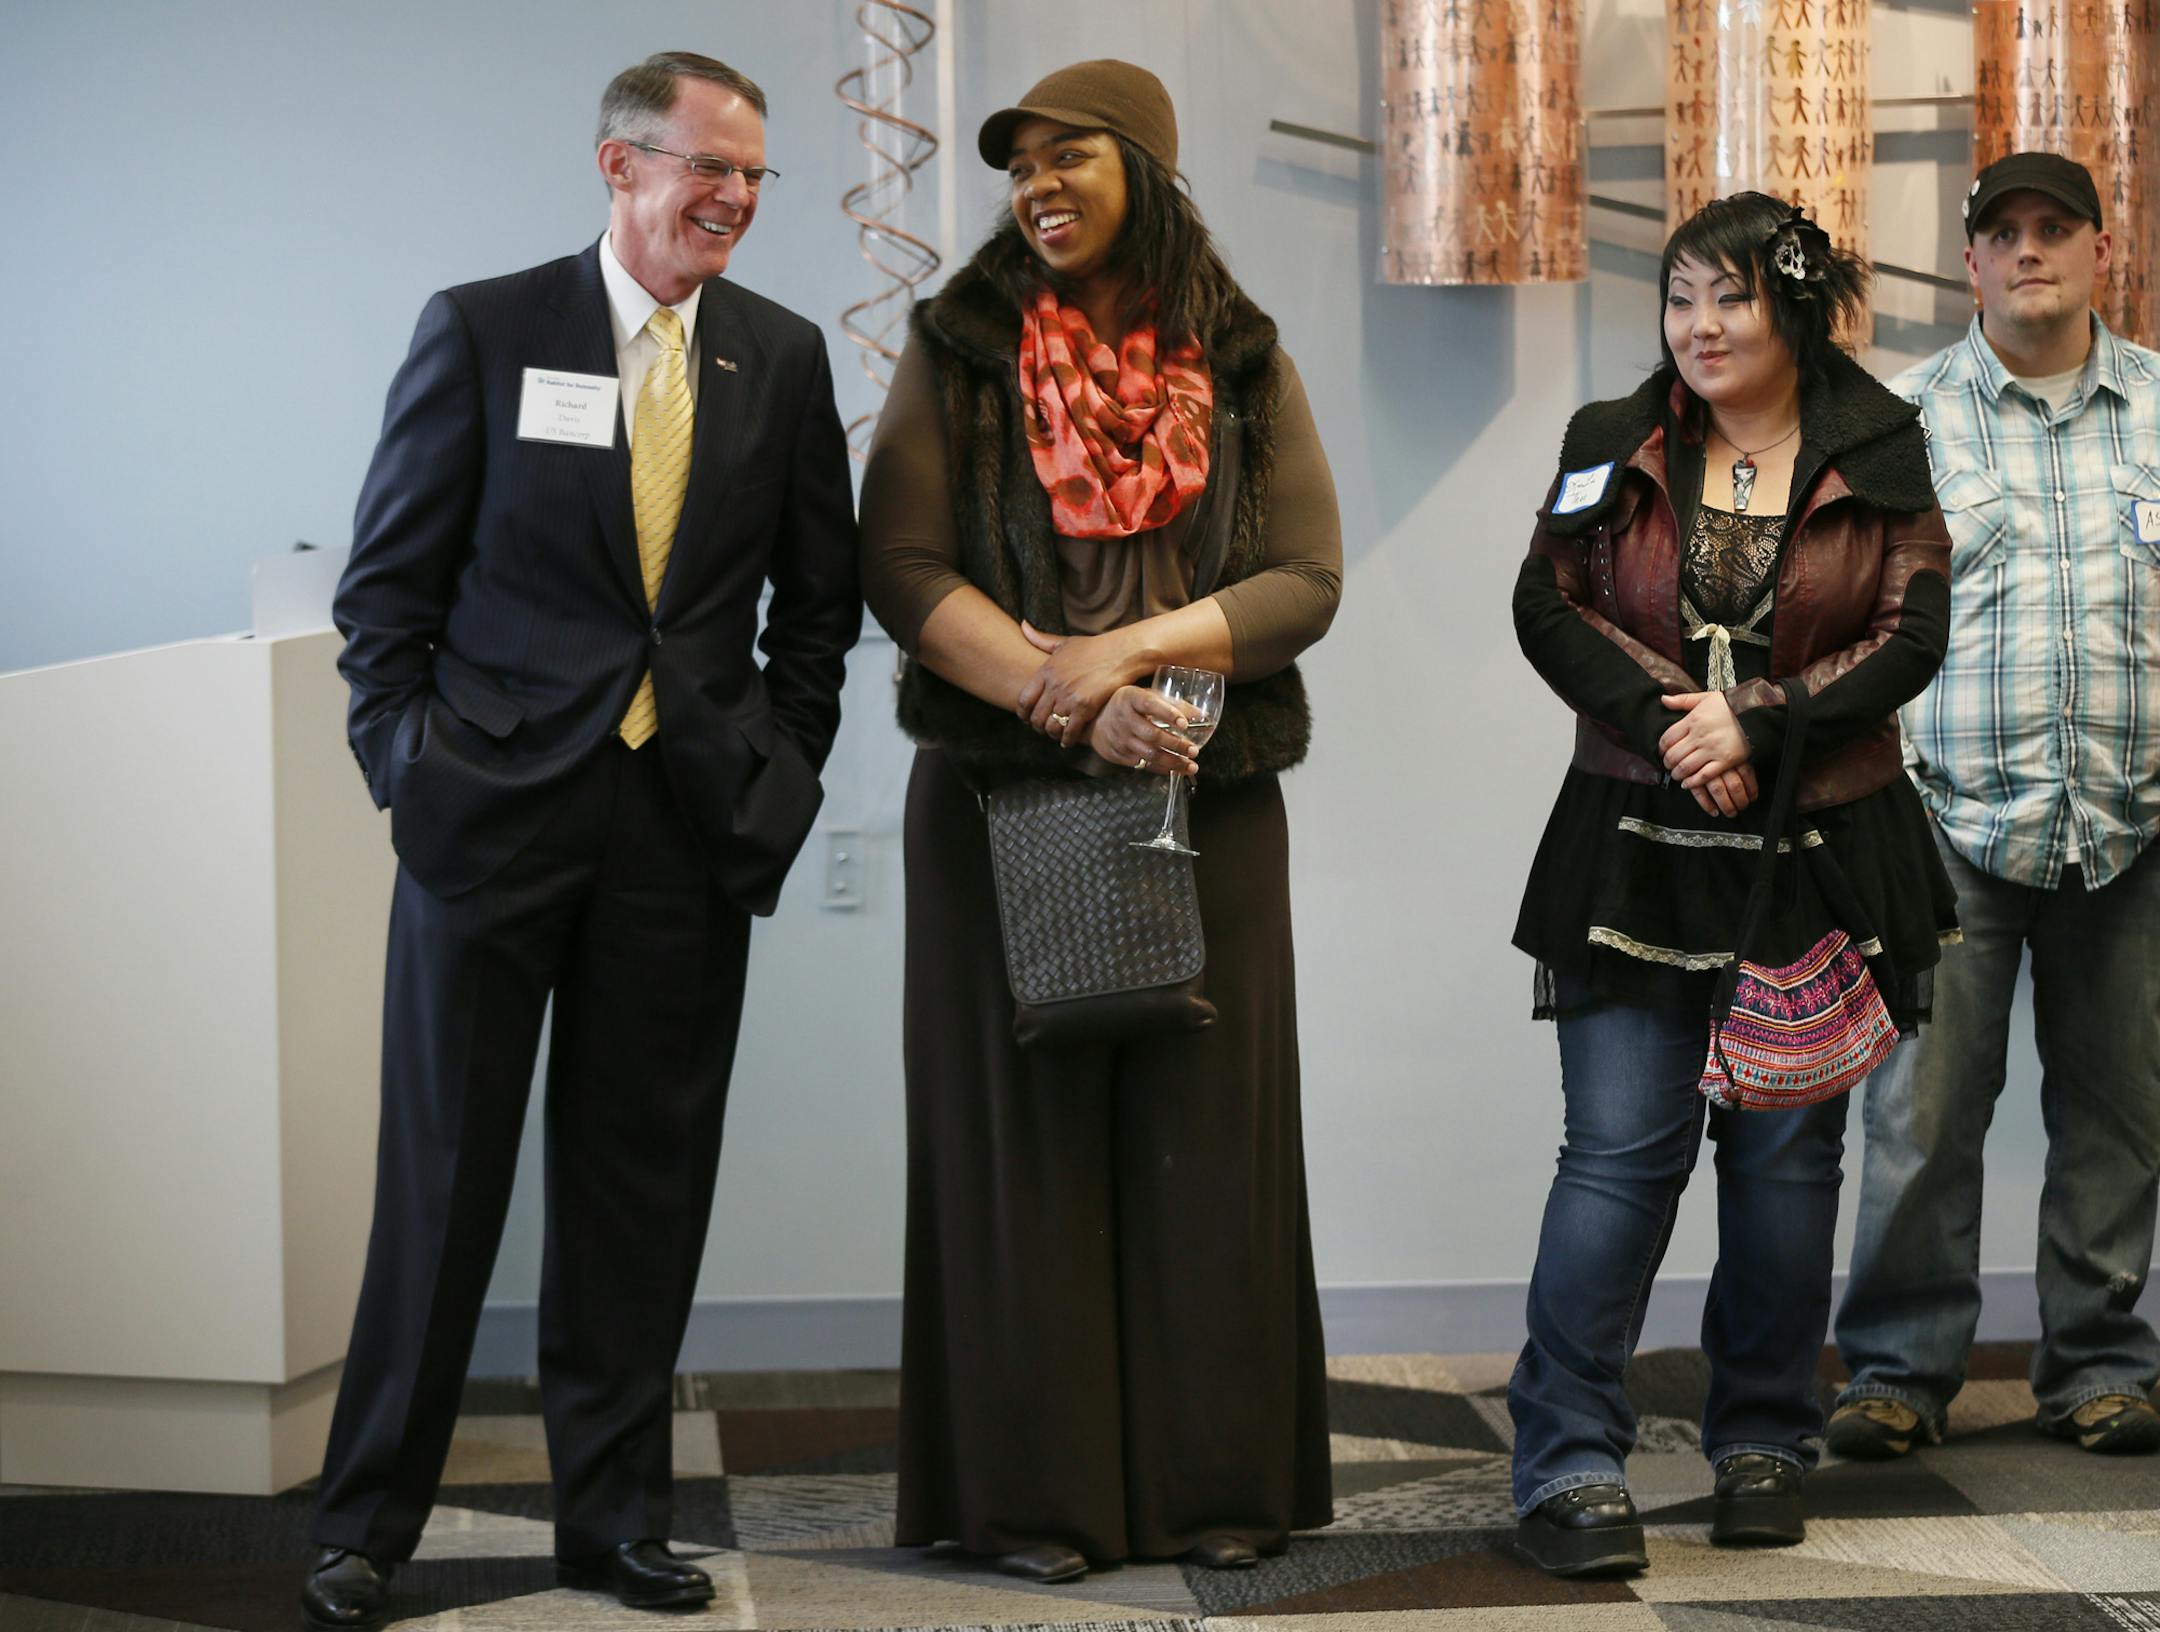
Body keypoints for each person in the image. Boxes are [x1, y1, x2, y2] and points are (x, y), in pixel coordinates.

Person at [304, 51, 858, 1630]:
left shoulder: (782, 357)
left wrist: (780, 770)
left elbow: (818, 612)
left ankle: (611, 1525)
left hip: (681, 837)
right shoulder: (487, 329)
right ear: (618, 166)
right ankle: (365, 1529)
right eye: (709, 168)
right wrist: (407, 772)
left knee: (640, 1194)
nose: (735, 199)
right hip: (489, 822)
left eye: (755, 175)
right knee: (442, 1190)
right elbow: (385, 595)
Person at [859, 59, 1339, 1584]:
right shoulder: (960, 343)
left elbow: (1302, 582)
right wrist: (1067, 702)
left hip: (1206, 792)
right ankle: (1037, 1504)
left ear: (1146, 167)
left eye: (1071, 159)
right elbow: (906, 567)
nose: (1039, 187)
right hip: (1003, 791)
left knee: (1212, 1149)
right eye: (1019, 168)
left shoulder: (1241, 353)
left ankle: (1217, 1490)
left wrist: (1135, 655)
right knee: (1028, 1155)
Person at [1506, 192, 1957, 1576]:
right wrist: (1672, 727)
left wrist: (1759, 721)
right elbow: (1549, 602)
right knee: (1619, 1155)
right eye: (1679, 296)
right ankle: (1568, 1459)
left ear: (1796, 312)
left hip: (1817, 851)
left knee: (1784, 1162)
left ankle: (1762, 1433)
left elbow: (1911, 625)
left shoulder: (1880, 441)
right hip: (1635, 840)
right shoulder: (1612, 441)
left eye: (1732, 299)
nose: (1697, 327)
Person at [1829, 153, 2160, 1462]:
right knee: (1920, 1110)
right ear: (1969, 262)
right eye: (2003, 233)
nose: (2030, 251)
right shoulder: (1897, 423)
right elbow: (1846, 633)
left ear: (2098, 251)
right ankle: (1899, 1372)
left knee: (2122, 1113)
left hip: (2135, 827)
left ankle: (2099, 1366)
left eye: (2054, 229)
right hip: (1943, 829)